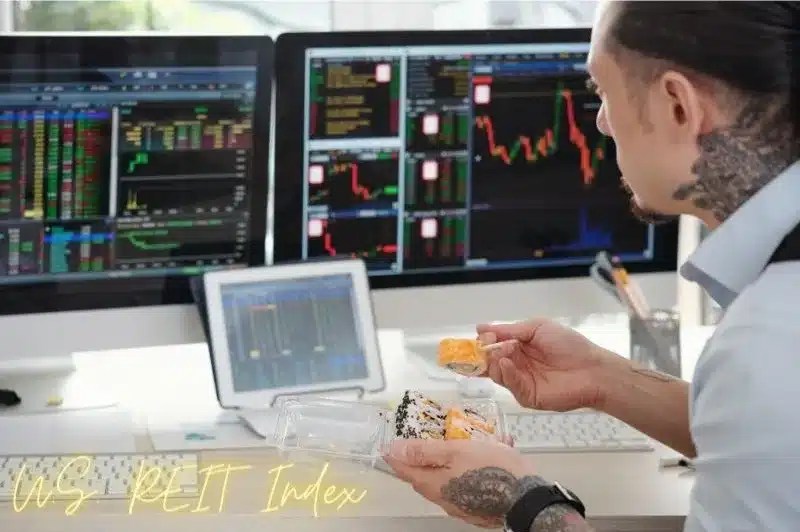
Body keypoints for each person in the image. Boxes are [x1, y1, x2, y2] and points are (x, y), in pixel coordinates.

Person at [383, 1, 800, 531]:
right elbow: (767, 438)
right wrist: (603, 378)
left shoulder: (769, 342)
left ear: (677, 106)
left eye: (602, 91)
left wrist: (523, 501)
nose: (601, 122)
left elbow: (765, 396)